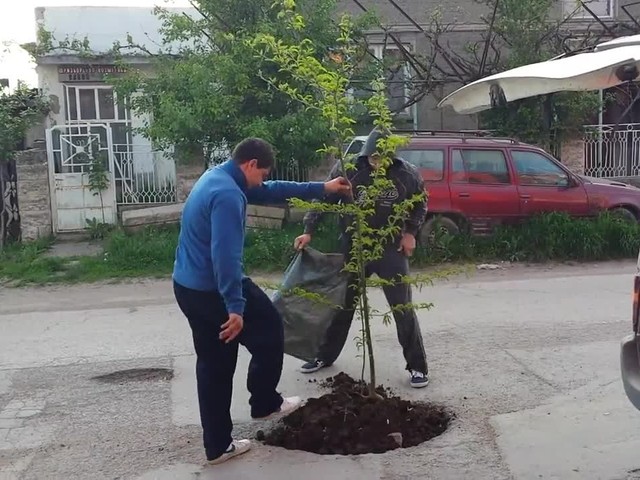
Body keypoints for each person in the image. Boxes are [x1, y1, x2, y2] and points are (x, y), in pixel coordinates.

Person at [172, 137, 351, 466]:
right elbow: (225, 258)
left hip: (188, 286)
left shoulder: (218, 176)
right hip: (212, 290)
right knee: (266, 330)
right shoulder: (227, 195)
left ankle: (218, 445)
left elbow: (272, 190)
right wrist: (235, 307)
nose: (263, 180)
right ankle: (264, 404)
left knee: (214, 364)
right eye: (262, 173)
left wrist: (322, 188)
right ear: (250, 164)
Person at [294, 128, 430, 388]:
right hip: (355, 246)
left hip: (391, 249)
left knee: (402, 309)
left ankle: (417, 367)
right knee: (342, 306)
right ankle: (324, 355)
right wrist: (308, 230)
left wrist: (411, 232)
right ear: (365, 154)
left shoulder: (406, 174)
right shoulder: (348, 171)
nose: (377, 162)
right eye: (373, 157)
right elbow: (324, 198)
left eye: (382, 158)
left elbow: (420, 202)